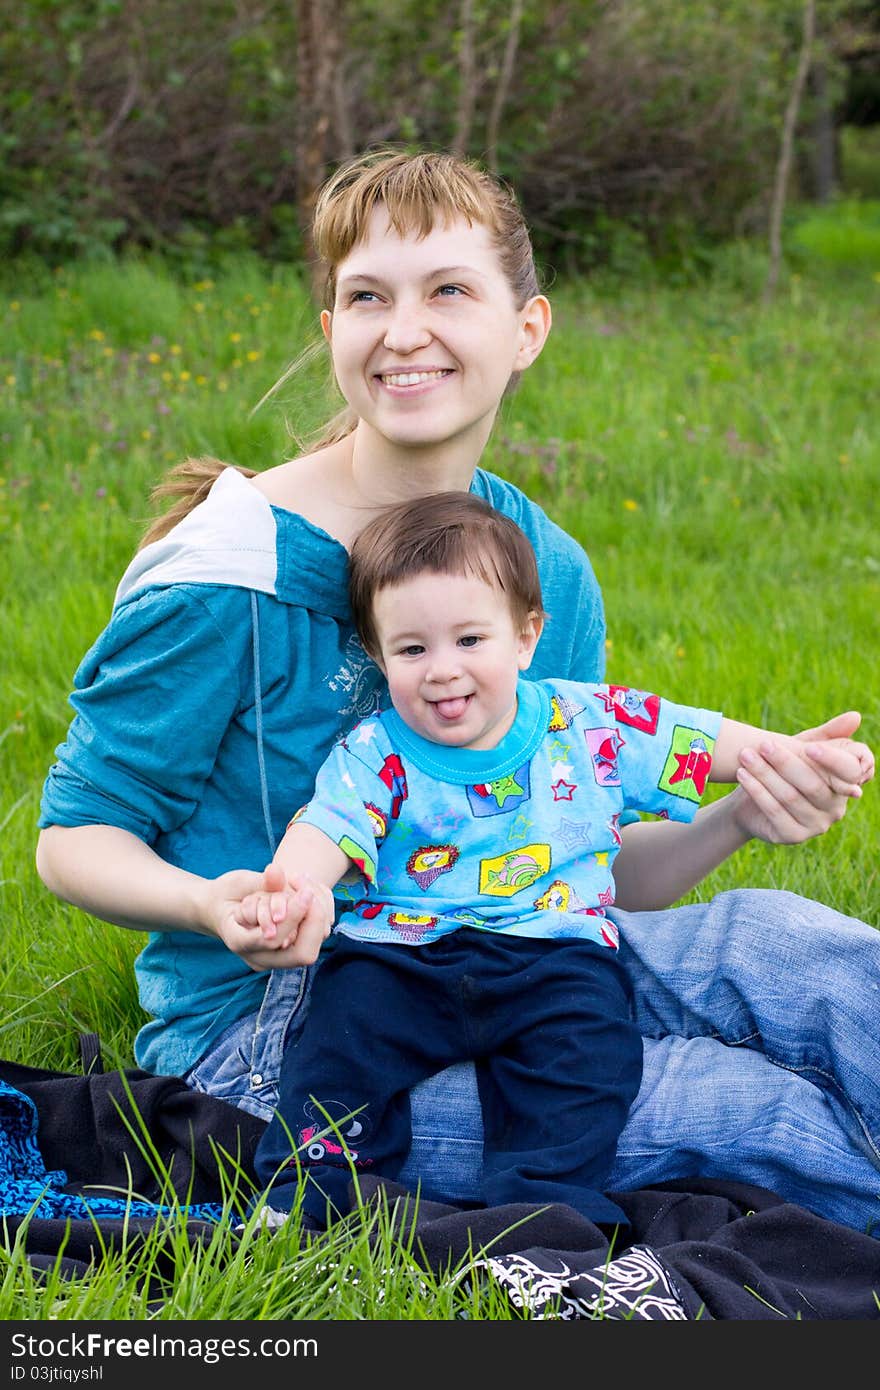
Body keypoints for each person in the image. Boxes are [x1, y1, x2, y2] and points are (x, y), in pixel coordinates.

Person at [34, 147, 879, 1235]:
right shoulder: (228, 577)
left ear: (525, 328)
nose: (404, 329)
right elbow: (75, 837)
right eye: (366, 296)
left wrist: (734, 815)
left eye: (448, 290)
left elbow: (588, 864)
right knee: (750, 1111)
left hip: (527, 939)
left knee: (784, 947)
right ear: (332, 327)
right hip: (292, 1030)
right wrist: (209, 902)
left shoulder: (536, 565)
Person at [235, 490, 869, 1232]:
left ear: (525, 637)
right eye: (412, 649)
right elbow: (328, 829)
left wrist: (791, 755)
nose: (442, 670)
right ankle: (306, 1198)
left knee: (585, 1066)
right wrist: (295, 887)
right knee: (336, 1050)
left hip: (553, 951)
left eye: (470, 640)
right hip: (399, 953)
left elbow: (694, 739)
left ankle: (544, 1212)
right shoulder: (374, 752)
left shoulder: (587, 724)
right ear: (380, 656)